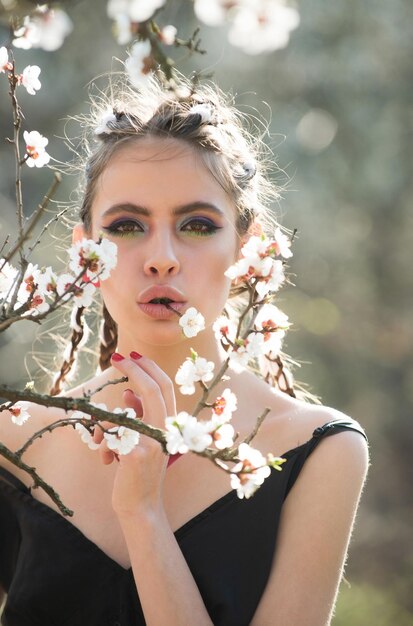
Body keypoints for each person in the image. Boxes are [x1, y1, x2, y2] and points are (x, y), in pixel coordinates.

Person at [0, 74, 369, 626]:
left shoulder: (317, 451)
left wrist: (142, 513)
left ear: (248, 249)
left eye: (197, 225)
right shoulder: (13, 439)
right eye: (126, 225)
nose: (161, 258)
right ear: (85, 253)